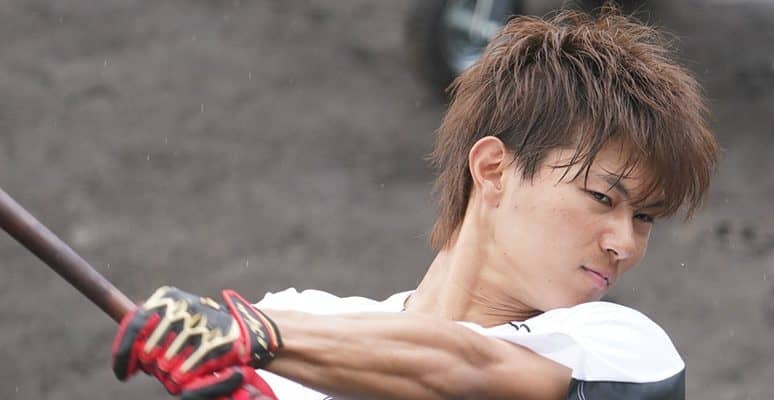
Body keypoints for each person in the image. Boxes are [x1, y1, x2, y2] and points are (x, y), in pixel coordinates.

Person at [110, 8, 719, 400]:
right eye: (602, 198)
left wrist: (256, 335)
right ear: (494, 170)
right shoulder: (304, 327)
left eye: (645, 218)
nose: (626, 243)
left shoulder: (623, 352)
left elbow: (469, 368)